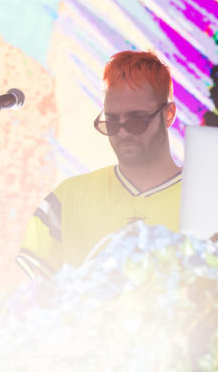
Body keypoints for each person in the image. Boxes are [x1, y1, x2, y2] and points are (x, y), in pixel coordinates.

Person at [16, 50, 181, 279]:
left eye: (136, 120)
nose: (122, 133)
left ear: (168, 114)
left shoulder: (207, 200)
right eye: (112, 121)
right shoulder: (66, 199)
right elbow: (33, 294)